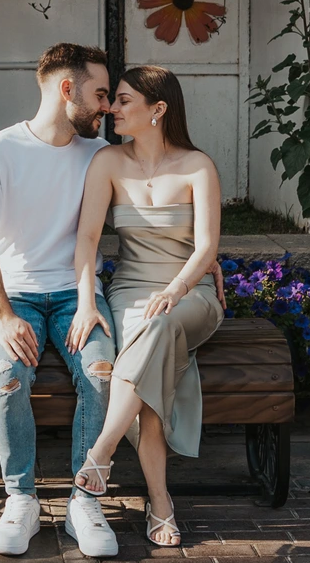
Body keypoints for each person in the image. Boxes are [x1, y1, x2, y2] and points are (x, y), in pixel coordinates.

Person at [0, 42, 121, 558]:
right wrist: (1, 314)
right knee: (8, 378)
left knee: (100, 373)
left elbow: (161, 202)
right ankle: (20, 500)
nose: (108, 106)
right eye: (100, 94)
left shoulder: (101, 154)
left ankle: (84, 501)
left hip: (78, 297)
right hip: (17, 295)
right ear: (66, 90)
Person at [66, 64, 223, 549]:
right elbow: (88, 239)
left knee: (159, 325)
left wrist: (176, 290)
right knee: (151, 371)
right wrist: (85, 301)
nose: (112, 107)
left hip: (190, 295)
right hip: (129, 291)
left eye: (124, 99)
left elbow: (205, 251)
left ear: (158, 109)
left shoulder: (198, 166)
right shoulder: (107, 162)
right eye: (113, 98)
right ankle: (160, 502)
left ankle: (102, 451)